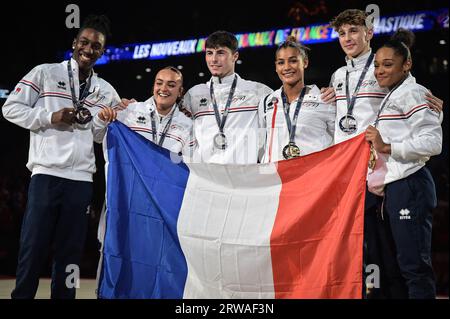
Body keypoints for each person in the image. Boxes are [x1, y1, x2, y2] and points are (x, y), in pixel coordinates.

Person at [2, 14, 120, 299]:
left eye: (96, 46)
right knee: (34, 246)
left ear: (102, 52)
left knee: (70, 252)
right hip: (45, 174)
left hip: (80, 180)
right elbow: (10, 108)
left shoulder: (104, 91)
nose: (89, 49)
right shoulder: (45, 72)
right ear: (74, 43)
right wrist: (49, 116)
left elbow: (102, 133)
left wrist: (109, 118)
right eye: (85, 42)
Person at [329, 9, 443, 299]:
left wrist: (435, 112)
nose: (347, 38)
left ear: (368, 33)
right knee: (372, 257)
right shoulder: (338, 76)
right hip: (354, 178)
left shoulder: (386, 71)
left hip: (388, 175)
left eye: (354, 31)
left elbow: (414, 106)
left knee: (404, 259)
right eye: (342, 33)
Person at [364, 29, 442, 299]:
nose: (379, 71)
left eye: (388, 65)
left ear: (406, 65)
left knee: (414, 267)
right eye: (376, 65)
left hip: (411, 184)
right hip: (395, 188)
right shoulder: (394, 94)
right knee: (397, 266)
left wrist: (387, 146)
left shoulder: (415, 93)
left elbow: (433, 142)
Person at [182, 30, 272, 164]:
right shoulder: (194, 94)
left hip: (242, 179)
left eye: (220, 53)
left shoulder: (257, 92)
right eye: (209, 53)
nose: (213, 59)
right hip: (204, 178)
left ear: (235, 56)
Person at [258, 36, 335, 163]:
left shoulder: (324, 99)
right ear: (276, 67)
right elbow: (262, 145)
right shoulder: (267, 102)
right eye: (281, 62)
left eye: (293, 61)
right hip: (276, 179)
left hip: (312, 178)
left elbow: (340, 141)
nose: (286, 67)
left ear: (305, 62)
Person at [117, 66, 194, 155]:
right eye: (159, 83)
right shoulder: (131, 111)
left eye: (171, 85)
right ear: (154, 86)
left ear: (180, 91)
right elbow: (101, 135)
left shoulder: (187, 125)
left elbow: (189, 163)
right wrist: (102, 118)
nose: (163, 89)